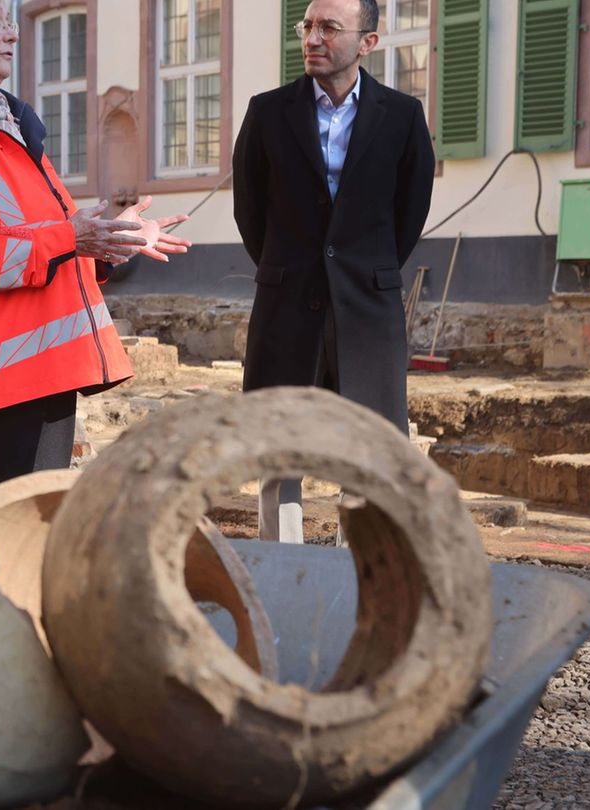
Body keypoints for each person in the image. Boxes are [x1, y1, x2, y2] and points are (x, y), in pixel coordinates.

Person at [0, 0, 190, 490]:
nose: (13, 35)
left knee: (29, 521)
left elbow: (46, 239)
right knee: (2, 527)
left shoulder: (4, 125)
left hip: (38, 370)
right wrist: (73, 235)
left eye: (11, 22)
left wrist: (107, 240)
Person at [231, 0, 435, 542]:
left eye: (329, 27)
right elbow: (250, 210)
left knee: (368, 453)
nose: (313, 38)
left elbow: (408, 213)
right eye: (308, 26)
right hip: (286, 304)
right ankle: (283, 575)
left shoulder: (402, 117)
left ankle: (359, 579)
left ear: (367, 42)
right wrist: (288, 268)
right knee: (279, 453)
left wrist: (362, 271)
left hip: (367, 310)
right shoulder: (268, 112)